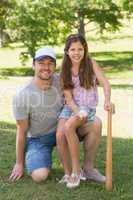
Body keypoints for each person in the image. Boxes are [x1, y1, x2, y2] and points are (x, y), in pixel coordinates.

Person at [56, 34, 111, 188]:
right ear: (67, 51)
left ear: (85, 49)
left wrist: (107, 100)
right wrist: (76, 111)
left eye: (80, 49)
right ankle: (68, 173)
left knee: (68, 127)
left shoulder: (91, 63)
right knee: (60, 134)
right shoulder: (65, 69)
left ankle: (77, 171)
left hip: (87, 107)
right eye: (73, 49)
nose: (77, 52)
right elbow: (68, 97)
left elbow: (105, 84)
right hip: (71, 107)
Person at [9, 46, 63, 182]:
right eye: (41, 63)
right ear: (33, 65)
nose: (46, 67)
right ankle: (42, 158)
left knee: (94, 124)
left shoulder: (62, 81)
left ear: (55, 66)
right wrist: (19, 163)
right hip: (38, 139)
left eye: (50, 63)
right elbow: (21, 131)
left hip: (63, 131)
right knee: (40, 176)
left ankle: (88, 168)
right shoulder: (22, 95)